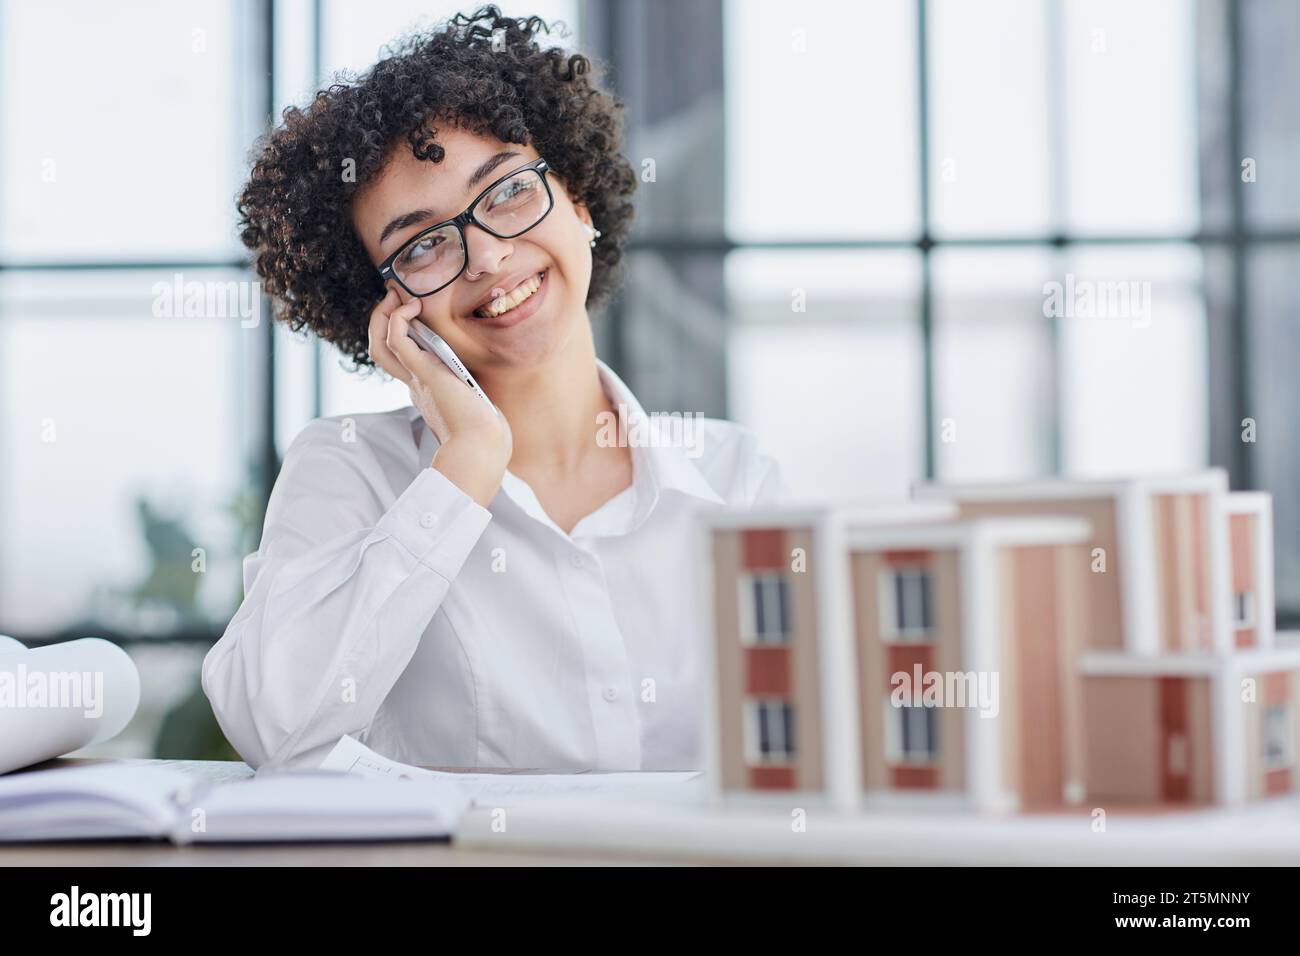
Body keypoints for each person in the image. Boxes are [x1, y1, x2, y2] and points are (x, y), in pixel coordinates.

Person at [202, 6, 789, 771]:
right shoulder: (350, 469)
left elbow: (807, 745)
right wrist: (467, 464)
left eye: (508, 192)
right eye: (423, 245)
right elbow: (274, 728)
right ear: (383, 307)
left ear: (578, 199)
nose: (485, 257)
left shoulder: (736, 481)